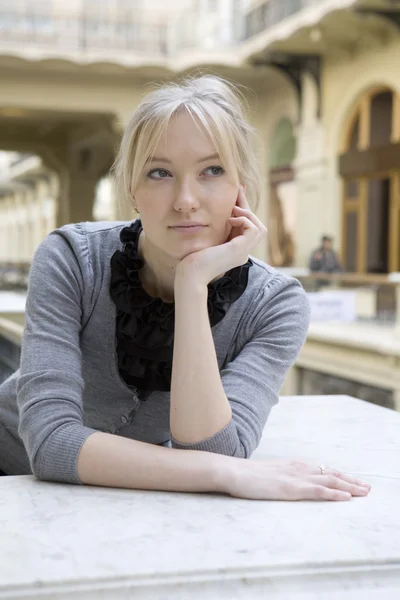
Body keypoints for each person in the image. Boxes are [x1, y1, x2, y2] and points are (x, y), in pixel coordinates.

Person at [0, 75, 370, 501]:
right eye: (159, 173)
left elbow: (211, 446)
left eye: (212, 170)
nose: (186, 199)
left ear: (240, 187)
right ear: (133, 191)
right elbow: (50, 443)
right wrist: (227, 474)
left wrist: (193, 285)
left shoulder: (276, 305)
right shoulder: (71, 258)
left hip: (121, 501)